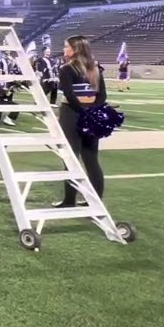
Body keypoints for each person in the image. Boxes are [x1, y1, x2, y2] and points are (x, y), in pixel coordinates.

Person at [54, 35, 107, 208]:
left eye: (66, 46)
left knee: (71, 159)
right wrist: (92, 111)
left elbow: (70, 95)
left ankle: (70, 200)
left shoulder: (66, 69)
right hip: (92, 114)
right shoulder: (95, 68)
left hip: (72, 114)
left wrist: (82, 111)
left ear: (75, 49)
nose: (64, 49)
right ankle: (96, 201)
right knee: (92, 160)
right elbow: (102, 96)